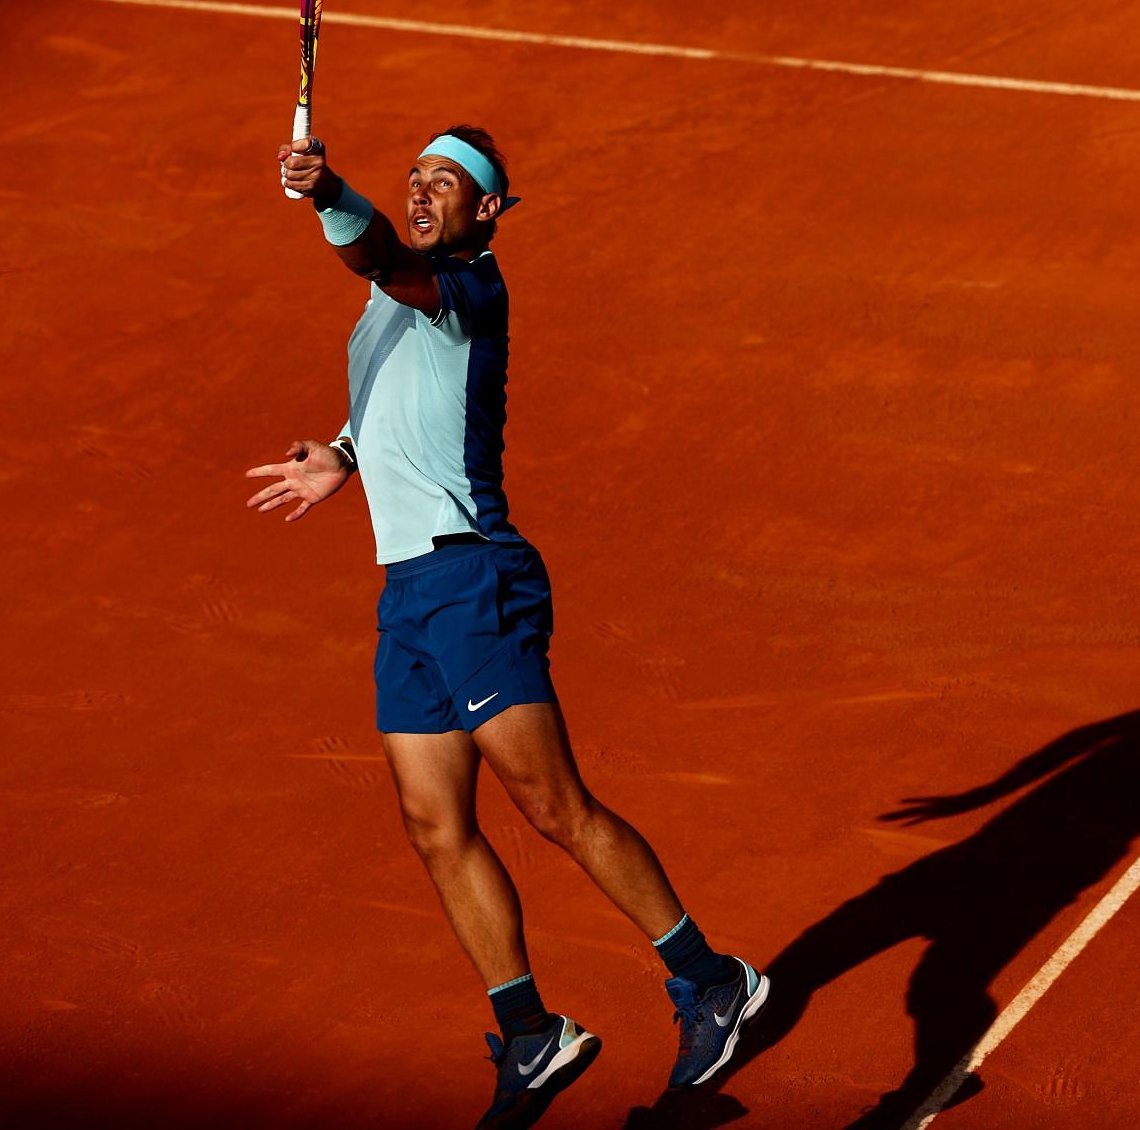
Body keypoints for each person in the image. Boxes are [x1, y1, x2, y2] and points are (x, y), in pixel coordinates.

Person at [248, 127, 769, 1128]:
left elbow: (381, 258)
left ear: (488, 210)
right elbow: (391, 391)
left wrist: (329, 193)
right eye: (417, 176)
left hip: (476, 575)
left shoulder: (470, 288)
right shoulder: (387, 307)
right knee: (433, 822)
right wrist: (343, 457)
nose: (424, 188)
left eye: (447, 180)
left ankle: (713, 979)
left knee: (549, 799)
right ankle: (532, 1032)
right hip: (407, 593)